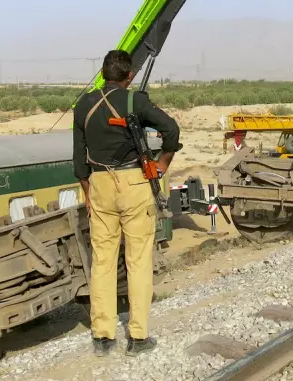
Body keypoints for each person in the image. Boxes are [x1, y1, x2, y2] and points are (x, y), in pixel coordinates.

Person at [73, 50, 181, 357]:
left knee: (103, 263)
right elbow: (171, 129)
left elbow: (79, 160)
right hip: (134, 183)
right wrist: (163, 162)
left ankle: (103, 337)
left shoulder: (83, 105)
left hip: (99, 184)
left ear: (102, 74)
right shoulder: (136, 102)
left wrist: (88, 192)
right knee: (138, 261)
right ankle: (138, 337)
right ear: (129, 76)